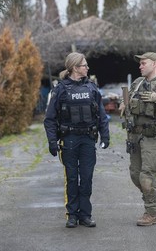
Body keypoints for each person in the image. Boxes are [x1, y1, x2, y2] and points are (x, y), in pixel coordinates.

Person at [44, 52, 110, 228]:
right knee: (72, 178)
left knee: (87, 178)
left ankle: (85, 215)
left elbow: (102, 115)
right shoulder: (60, 90)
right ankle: (72, 215)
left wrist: (105, 135)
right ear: (75, 68)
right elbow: (50, 119)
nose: (87, 68)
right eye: (84, 65)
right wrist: (52, 141)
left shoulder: (92, 88)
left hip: (88, 139)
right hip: (69, 140)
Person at [119, 52, 156, 226]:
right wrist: (124, 103)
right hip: (135, 136)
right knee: (135, 174)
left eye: (144, 63)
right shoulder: (137, 83)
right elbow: (129, 101)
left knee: (147, 174)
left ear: (155, 64)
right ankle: (152, 200)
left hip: (152, 136)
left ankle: (151, 212)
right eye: (140, 64)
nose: (140, 66)